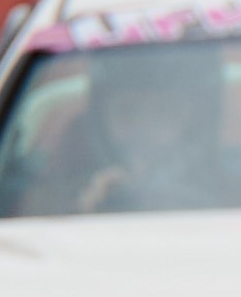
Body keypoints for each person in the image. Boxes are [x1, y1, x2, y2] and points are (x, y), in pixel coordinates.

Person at [53, 44, 231, 214]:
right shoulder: (53, 192)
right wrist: (85, 211)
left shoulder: (238, 195)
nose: (144, 129)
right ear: (101, 120)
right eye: (127, 111)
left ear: (196, 123)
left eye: (163, 111)